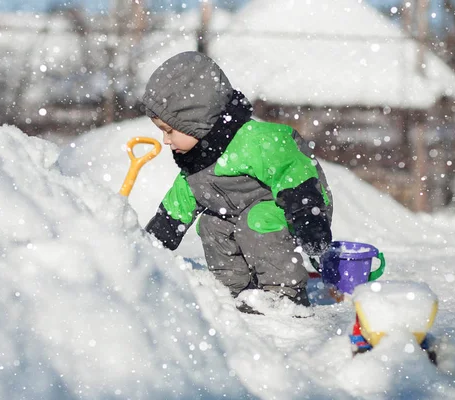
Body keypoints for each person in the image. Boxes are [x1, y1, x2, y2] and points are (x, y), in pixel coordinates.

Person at [142, 51, 333, 315]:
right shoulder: (196, 163)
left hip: (301, 202)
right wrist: (148, 247)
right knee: (212, 224)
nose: (165, 140)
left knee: (255, 222)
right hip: (245, 208)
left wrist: (309, 219)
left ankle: (286, 295)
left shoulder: (253, 141)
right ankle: (236, 290)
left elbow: (293, 168)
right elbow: (177, 208)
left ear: (196, 120)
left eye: (169, 130)